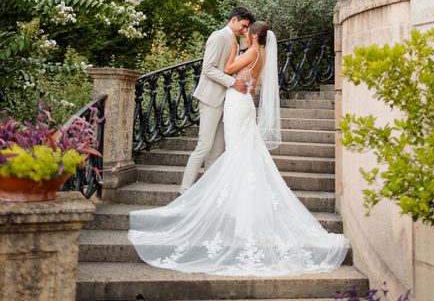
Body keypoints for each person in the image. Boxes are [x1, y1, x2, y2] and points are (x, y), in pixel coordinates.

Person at [128, 21, 349, 277]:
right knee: (240, 154)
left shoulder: (252, 52)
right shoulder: (259, 53)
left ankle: (238, 212)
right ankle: (238, 209)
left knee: (237, 154)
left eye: (247, 30)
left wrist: (234, 46)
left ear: (254, 34)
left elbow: (228, 68)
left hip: (238, 103)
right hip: (240, 102)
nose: (244, 32)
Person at [179, 5, 255, 194]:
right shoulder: (218, 36)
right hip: (211, 97)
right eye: (243, 26)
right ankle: (185, 189)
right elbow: (208, 68)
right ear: (234, 19)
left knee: (218, 149)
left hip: (228, 102)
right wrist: (232, 82)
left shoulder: (235, 41)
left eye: (247, 28)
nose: (244, 30)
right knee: (204, 146)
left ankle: (208, 192)